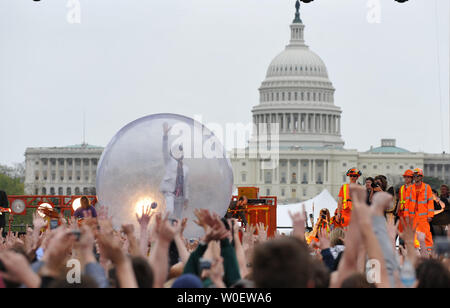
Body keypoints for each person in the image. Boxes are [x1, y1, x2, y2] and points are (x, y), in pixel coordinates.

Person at [160, 122, 189, 219]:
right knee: (169, 210)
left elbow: (186, 184)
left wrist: (186, 199)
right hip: (170, 192)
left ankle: (176, 231)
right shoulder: (169, 161)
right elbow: (164, 150)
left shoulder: (185, 168)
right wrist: (165, 135)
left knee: (178, 217)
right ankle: (165, 227)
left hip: (179, 195)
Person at [404, 168, 434, 251]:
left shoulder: (427, 188)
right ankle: (416, 251)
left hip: (423, 216)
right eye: (414, 176)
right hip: (412, 216)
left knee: (426, 234)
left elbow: (430, 202)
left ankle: (429, 251)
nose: (416, 177)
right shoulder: (410, 188)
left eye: (417, 176)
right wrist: (406, 215)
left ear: (421, 177)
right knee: (413, 234)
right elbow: (407, 203)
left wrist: (430, 215)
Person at [396, 169, 414, 234]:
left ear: (412, 178)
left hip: (410, 213)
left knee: (409, 230)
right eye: (405, 177)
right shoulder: (402, 188)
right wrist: (396, 211)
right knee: (401, 230)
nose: (406, 178)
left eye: (408, 177)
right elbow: (400, 200)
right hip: (401, 212)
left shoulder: (414, 188)